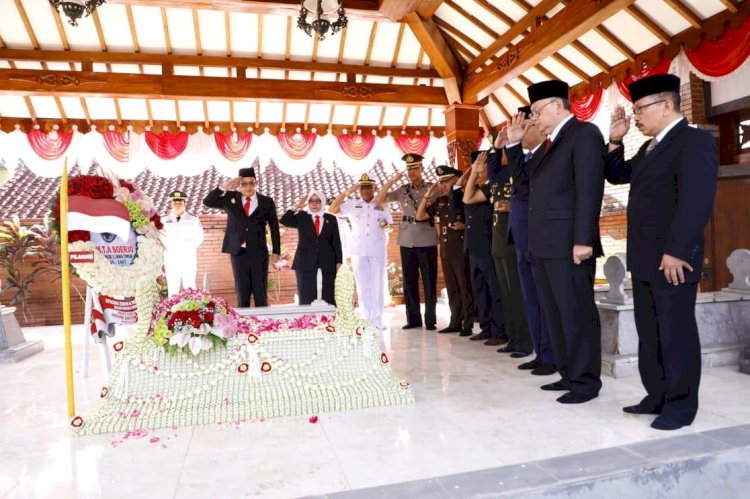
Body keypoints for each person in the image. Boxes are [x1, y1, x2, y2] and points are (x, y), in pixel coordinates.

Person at [605, 74, 717, 430]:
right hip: (644, 257)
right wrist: (615, 140)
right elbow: (618, 175)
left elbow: (696, 200)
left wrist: (677, 251)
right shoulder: (648, 148)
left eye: (640, 109)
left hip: (673, 260)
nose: (636, 116)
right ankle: (657, 395)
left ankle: (681, 406)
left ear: (666, 106)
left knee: (675, 333)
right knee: (650, 332)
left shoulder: (693, 141)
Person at [506, 80, 605, 404]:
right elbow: (523, 180)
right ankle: (567, 374)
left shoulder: (584, 134)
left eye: (537, 111)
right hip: (546, 246)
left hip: (571, 247)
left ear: (558, 105)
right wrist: (514, 145)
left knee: (576, 314)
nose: (534, 119)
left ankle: (586, 383)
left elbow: (590, 189)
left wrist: (583, 240)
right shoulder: (550, 144)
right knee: (556, 315)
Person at [505, 107, 556, 376]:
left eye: (525, 127)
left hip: (539, 238)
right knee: (530, 298)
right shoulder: (525, 157)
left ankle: (551, 355)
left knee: (543, 298)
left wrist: (513, 146)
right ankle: (540, 351)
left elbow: (524, 186)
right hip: (522, 238)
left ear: (539, 128)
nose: (521, 132)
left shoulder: (545, 155)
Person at [375, 154, 438, 330]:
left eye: (415, 168)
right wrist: (393, 180)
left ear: (422, 169)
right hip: (407, 238)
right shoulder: (402, 190)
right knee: (409, 281)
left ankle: (431, 319)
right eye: (409, 169)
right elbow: (380, 199)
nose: (411, 172)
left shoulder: (433, 189)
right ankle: (413, 319)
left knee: (429, 280)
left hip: (426, 236)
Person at [202, 167, 280, 307]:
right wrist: (223, 187)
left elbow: (274, 228)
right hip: (238, 252)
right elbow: (207, 202)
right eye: (244, 183)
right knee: (242, 292)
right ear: (238, 185)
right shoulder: (229, 198)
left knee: (260, 292)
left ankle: (262, 325)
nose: (248, 187)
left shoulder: (266, 202)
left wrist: (276, 252)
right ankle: (243, 325)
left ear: (256, 183)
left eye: (252, 183)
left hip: (259, 252)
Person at [485, 134, 533, 358]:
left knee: (517, 293)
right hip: (498, 240)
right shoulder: (499, 173)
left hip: (513, 239)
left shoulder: (521, 168)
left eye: (506, 148)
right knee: (506, 293)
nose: (503, 152)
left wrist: (510, 207)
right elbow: (492, 171)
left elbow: (529, 197)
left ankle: (524, 341)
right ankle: (513, 338)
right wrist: (494, 147)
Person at [416, 165, 475, 336]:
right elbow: (420, 216)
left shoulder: (465, 198)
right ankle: (455, 321)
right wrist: (428, 195)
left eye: (446, 181)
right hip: (446, 249)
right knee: (452, 288)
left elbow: (475, 221)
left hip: (461, 248)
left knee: (465, 287)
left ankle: (468, 323)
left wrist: (465, 226)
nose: (443, 185)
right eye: (441, 182)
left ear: (456, 180)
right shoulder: (440, 202)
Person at [329, 173, 393, 330]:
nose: (365, 190)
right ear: (359, 188)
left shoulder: (383, 203)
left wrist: (385, 225)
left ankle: (377, 319)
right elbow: (332, 209)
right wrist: (347, 192)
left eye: (368, 186)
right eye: (362, 187)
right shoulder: (352, 203)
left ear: (374, 188)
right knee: (362, 285)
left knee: (377, 285)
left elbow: (390, 227)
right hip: (358, 250)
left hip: (377, 250)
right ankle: (365, 319)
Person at [461, 151, 507, 346]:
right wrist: (471, 174)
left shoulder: (491, 188)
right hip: (474, 249)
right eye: (476, 167)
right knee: (480, 290)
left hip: (488, 245)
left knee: (494, 290)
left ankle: (498, 331)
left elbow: (468, 199)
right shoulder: (476, 188)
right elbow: (462, 199)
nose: (478, 171)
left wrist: (473, 175)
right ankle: (486, 328)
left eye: (482, 166)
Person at [280, 190, 342, 305]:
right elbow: (284, 220)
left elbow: (336, 242)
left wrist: (339, 262)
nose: (314, 204)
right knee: (306, 296)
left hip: (327, 261)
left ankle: (329, 320)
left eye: (318, 201)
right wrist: (298, 205)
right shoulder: (302, 216)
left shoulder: (331, 219)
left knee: (329, 294)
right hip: (304, 262)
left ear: (322, 202)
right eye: (311, 201)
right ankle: (307, 321)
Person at [161, 190, 204, 296]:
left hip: (188, 256)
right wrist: (169, 248)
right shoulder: (164, 220)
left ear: (185, 203)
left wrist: (189, 248)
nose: (177, 204)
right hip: (171, 257)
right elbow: (160, 237)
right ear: (171, 204)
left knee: (189, 286)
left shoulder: (193, 219)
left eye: (180, 202)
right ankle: (172, 310)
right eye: (175, 202)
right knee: (173, 286)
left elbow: (199, 237)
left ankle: (192, 310)